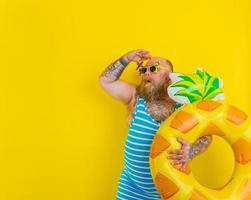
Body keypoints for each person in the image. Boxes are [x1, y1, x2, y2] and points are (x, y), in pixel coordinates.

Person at [99, 49, 211, 199]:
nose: (146, 73)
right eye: (144, 69)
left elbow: (207, 135)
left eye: (153, 69)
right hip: (131, 190)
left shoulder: (184, 107)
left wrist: (191, 151)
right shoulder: (136, 97)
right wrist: (126, 58)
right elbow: (106, 81)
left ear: (169, 77)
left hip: (169, 191)